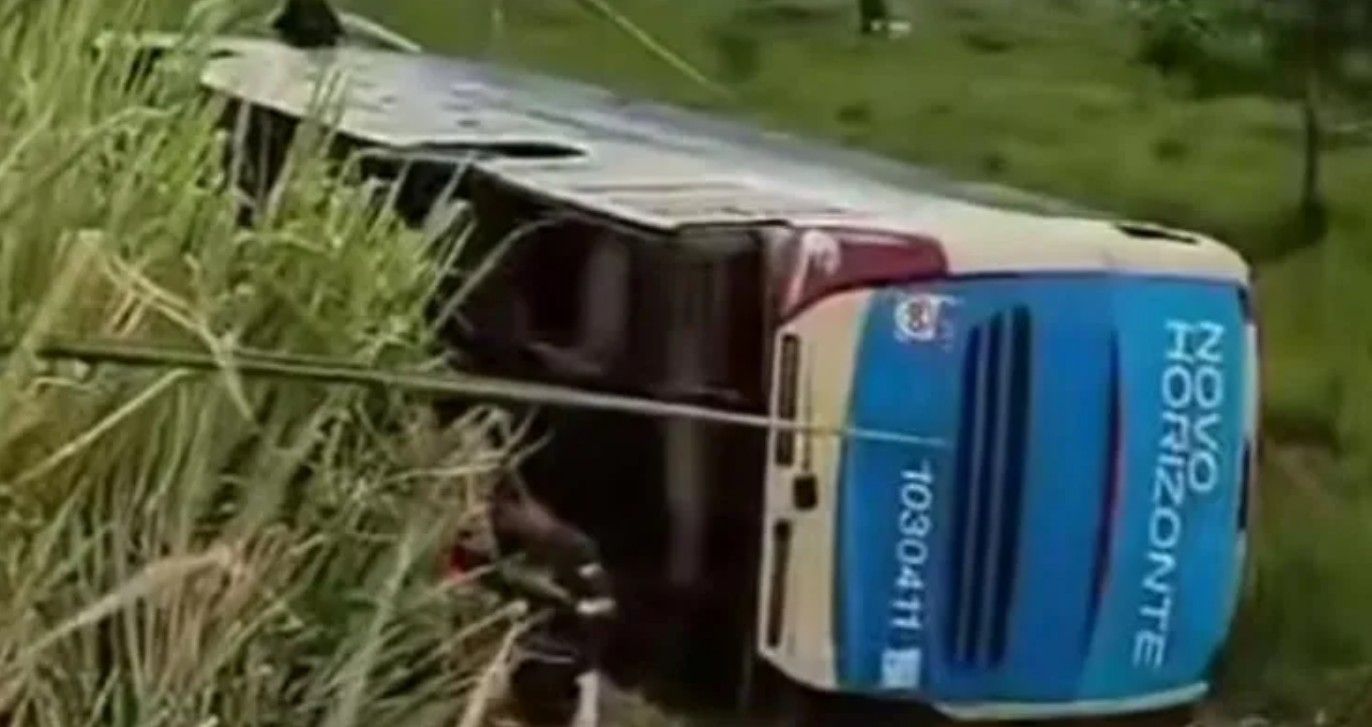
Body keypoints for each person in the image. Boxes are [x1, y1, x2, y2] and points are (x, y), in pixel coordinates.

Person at [450, 471, 616, 726]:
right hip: (519, 676)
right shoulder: (515, 548)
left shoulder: (574, 549)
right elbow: (493, 579)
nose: (498, 523)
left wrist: (587, 694)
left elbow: (602, 612)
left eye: (502, 513)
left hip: (563, 680)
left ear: (525, 505)